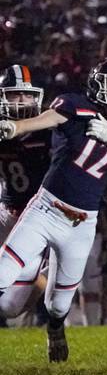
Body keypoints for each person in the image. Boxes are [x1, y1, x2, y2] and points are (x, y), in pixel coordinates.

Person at [0, 56, 107, 362]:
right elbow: (48, 119)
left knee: (60, 306)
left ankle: (55, 327)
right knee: (3, 277)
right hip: (44, 208)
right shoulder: (76, 104)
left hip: (83, 223)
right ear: (98, 82)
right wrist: (16, 126)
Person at [0, 65, 50, 324]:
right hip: (5, 209)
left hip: (34, 219)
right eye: (13, 94)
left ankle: (46, 287)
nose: (21, 101)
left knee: (8, 308)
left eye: (25, 94)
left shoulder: (48, 132)